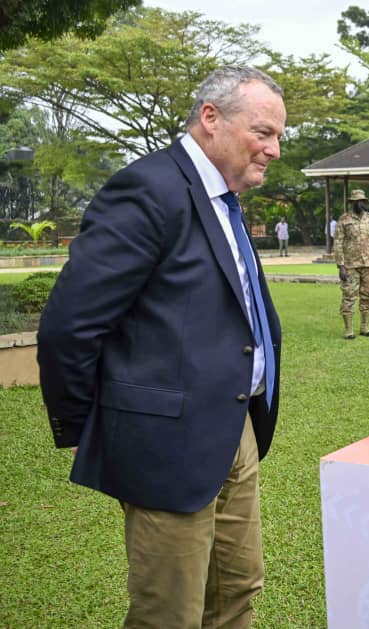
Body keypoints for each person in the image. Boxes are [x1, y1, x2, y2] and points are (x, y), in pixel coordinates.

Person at [37, 65, 286, 628]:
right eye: (263, 132)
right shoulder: (148, 189)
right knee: (169, 613)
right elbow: (70, 327)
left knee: (237, 590)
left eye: (278, 136)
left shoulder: (223, 197)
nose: (274, 149)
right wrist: (89, 425)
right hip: (167, 443)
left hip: (236, 426)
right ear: (211, 118)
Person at [334, 189, 369, 339]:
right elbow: (338, 243)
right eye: (357, 201)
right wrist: (341, 265)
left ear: (365, 202)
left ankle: (365, 327)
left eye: (362, 201)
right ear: (352, 203)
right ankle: (348, 329)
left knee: (367, 295)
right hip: (350, 265)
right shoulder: (344, 220)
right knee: (349, 296)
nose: (359, 203)